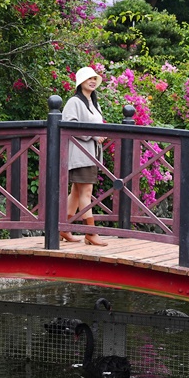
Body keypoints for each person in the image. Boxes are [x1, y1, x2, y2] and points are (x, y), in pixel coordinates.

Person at [60, 66, 108, 246]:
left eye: (95, 78)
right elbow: (69, 126)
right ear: (80, 82)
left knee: (76, 192)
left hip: (91, 154)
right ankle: (90, 232)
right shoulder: (74, 102)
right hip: (80, 154)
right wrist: (93, 135)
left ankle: (64, 228)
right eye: (89, 78)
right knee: (86, 192)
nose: (93, 81)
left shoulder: (94, 103)